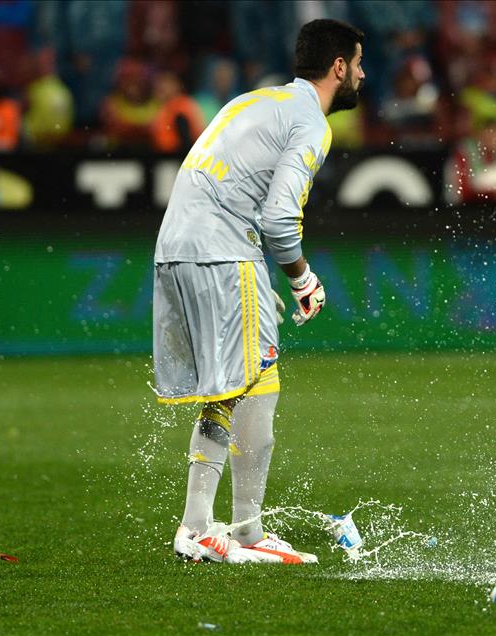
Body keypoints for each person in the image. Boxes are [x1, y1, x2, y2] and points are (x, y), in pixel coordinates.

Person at [153, 19, 365, 565]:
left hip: (177, 246)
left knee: (242, 385)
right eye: (358, 63)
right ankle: (219, 529)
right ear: (338, 66)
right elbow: (278, 218)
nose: (363, 75)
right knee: (246, 385)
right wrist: (301, 278)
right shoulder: (311, 123)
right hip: (222, 250)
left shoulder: (257, 100)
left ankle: (223, 529)